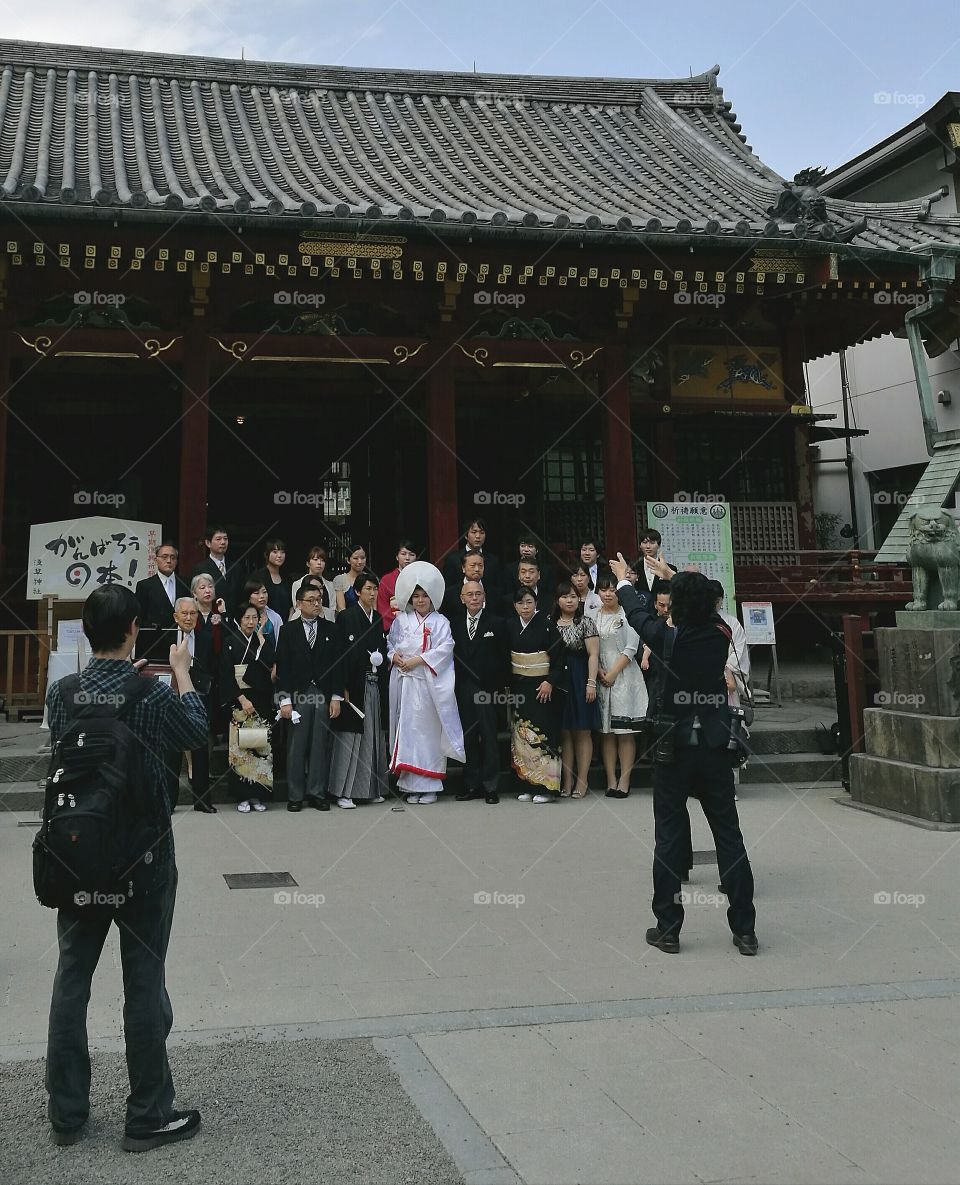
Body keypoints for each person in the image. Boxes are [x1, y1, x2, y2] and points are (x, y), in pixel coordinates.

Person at [44, 584, 206, 1152]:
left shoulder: (63, 693)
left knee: (72, 979)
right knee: (143, 980)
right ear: (135, 629)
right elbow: (196, 732)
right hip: (144, 859)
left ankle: (66, 1112)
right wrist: (180, 672)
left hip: (76, 855)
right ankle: (147, 1112)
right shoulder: (152, 694)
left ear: (87, 632)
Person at [610, 551, 758, 957]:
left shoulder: (667, 637)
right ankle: (745, 930)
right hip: (714, 744)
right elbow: (704, 601)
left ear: (675, 605)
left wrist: (626, 580)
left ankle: (668, 928)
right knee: (729, 835)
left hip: (672, 747)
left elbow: (638, 615)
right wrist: (675, 577)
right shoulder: (720, 633)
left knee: (669, 839)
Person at [387, 561, 464, 805]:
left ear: (432, 598)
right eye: (416, 596)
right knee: (408, 732)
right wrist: (394, 656)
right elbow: (390, 643)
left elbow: (446, 648)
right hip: (406, 683)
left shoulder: (441, 622)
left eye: (425, 596)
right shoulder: (401, 620)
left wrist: (419, 660)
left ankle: (430, 785)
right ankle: (411, 785)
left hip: (428, 685)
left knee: (428, 735)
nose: (420, 600)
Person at [275, 583, 343, 811]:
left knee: (319, 744)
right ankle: (295, 795)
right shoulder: (287, 630)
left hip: (322, 692)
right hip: (298, 694)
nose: (316, 604)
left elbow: (336, 666)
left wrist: (335, 697)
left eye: (319, 599)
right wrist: (284, 701)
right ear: (299, 604)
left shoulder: (331, 630)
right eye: (311, 600)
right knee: (297, 744)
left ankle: (316, 792)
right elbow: (283, 668)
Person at [328, 572, 389, 808]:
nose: (372, 594)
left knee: (373, 735)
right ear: (357, 592)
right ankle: (344, 791)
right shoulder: (346, 617)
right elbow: (339, 655)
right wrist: (340, 688)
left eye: (375, 589)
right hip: (353, 685)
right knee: (350, 737)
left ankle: (370, 788)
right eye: (368, 589)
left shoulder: (376, 619)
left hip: (373, 684)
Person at [451, 578, 508, 804]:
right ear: (462, 598)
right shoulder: (453, 623)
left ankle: (491, 786)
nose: (474, 598)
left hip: (489, 689)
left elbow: (504, 659)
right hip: (463, 688)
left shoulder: (497, 623)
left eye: (478, 594)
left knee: (490, 738)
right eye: (469, 595)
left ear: (484, 597)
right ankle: (471, 784)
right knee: (468, 737)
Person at [505, 586, 565, 802]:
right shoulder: (511, 625)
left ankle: (547, 788)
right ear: (515, 605)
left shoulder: (547, 625)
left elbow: (559, 657)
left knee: (544, 733)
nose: (525, 606)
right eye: (520, 603)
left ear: (536, 603)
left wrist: (550, 681)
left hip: (542, 687)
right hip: (520, 686)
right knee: (522, 735)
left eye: (529, 602)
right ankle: (527, 783)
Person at [594, 574, 648, 798]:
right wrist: (598, 671)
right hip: (600, 673)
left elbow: (632, 648)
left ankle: (625, 780)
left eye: (612, 590)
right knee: (606, 732)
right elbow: (590, 646)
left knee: (624, 732)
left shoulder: (628, 615)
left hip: (624, 674)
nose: (608, 594)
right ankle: (610, 779)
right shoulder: (592, 615)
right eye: (603, 590)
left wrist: (614, 673)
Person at [220, 604, 276, 813]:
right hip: (239, 700)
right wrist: (242, 699)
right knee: (241, 751)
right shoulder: (230, 642)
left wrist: (262, 641)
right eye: (247, 618)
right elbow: (225, 675)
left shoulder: (262, 642)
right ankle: (243, 796)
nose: (251, 622)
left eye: (254, 618)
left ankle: (258, 795)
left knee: (260, 748)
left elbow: (270, 665)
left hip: (260, 699)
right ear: (239, 620)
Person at [166, 597, 217, 813]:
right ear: (175, 616)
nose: (189, 618)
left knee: (200, 750)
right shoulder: (166, 637)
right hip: (171, 698)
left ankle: (202, 800)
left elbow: (214, 668)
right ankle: (168, 801)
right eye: (184, 614)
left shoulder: (206, 638)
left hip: (198, 698)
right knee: (170, 753)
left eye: (193, 613)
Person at [553, 581, 600, 798]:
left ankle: (582, 780)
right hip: (559, 679)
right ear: (557, 600)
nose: (569, 600)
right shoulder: (550, 622)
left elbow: (593, 655)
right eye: (564, 596)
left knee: (582, 730)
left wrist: (591, 682)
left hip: (580, 676)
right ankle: (567, 779)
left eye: (573, 596)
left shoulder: (586, 622)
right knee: (564, 732)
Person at [442, 517, 502, 597]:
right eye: (474, 532)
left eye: (482, 532)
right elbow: (448, 587)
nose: (478, 536)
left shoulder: (493, 560)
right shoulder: (453, 559)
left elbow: (498, 588)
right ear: (466, 536)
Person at [135, 542, 189, 628]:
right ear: (156, 560)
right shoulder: (144, 586)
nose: (169, 561)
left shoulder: (186, 583)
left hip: (181, 636)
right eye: (164, 557)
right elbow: (140, 617)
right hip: (155, 637)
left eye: (173, 557)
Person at [190, 525, 242, 613]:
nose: (223, 542)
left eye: (225, 539)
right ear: (208, 543)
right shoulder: (200, 568)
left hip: (234, 619)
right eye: (218, 539)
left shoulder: (236, 567)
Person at [377, 538, 417, 634]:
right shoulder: (386, 580)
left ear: (416, 557)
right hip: (394, 628)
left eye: (411, 554)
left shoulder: (421, 579)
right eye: (403, 554)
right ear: (397, 556)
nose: (407, 558)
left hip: (418, 627)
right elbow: (383, 609)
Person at [248, 538, 292, 621]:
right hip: (264, 622)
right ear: (266, 554)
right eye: (275, 552)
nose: (279, 555)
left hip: (286, 624)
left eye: (282, 552)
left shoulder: (287, 578)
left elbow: (291, 604)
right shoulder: (258, 576)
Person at [291, 546, 336, 623]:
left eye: (322, 560)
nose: (319, 563)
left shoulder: (330, 585)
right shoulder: (297, 584)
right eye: (315, 559)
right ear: (308, 563)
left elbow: (332, 608)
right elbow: (298, 607)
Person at [240, 578, 284, 642]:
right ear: (248, 597)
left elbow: (280, 642)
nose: (262, 596)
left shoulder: (275, 617)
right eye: (257, 593)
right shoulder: (241, 616)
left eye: (264, 592)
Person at [637, 529, 676, 594]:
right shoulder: (635, 568)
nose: (648, 546)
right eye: (644, 542)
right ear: (640, 545)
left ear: (659, 545)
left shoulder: (670, 569)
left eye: (652, 543)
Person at [333, 544, 369, 614]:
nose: (360, 562)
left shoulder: (371, 579)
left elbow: (374, 606)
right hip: (348, 621)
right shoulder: (340, 580)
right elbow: (341, 609)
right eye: (355, 558)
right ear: (348, 560)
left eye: (362, 558)